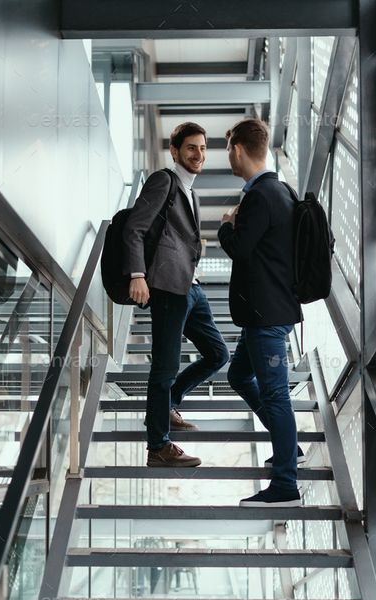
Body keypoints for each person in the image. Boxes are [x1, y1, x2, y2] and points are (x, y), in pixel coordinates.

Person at [123, 122, 229, 467]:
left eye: (202, 149)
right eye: (191, 148)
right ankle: (158, 446)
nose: (198, 155)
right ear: (175, 151)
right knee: (165, 367)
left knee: (217, 354)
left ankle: (168, 404)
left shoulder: (192, 193)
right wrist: (138, 274)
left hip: (192, 288)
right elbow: (134, 228)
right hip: (167, 287)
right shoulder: (163, 181)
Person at [218, 118, 304, 506]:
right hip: (268, 312)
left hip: (267, 318)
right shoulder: (281, 190)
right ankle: (289, 447)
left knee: (275, 396)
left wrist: (226, 225)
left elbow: (239, 248)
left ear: (237, 149)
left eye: (227, 150)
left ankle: (285, 482)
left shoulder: (260, 195)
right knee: (239, 375)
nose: (228, 157)